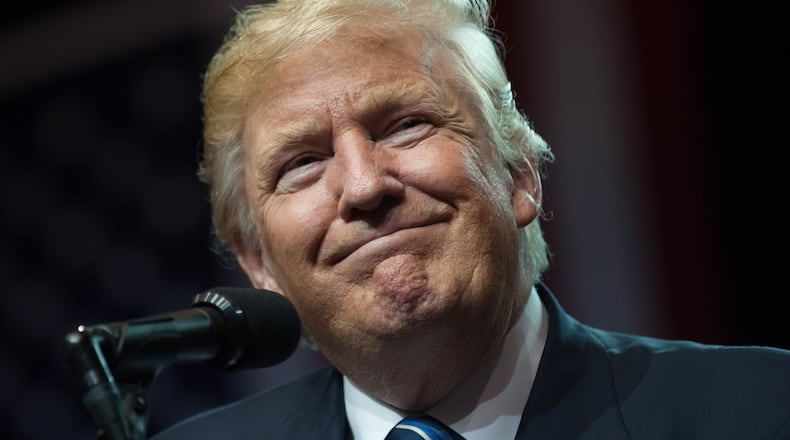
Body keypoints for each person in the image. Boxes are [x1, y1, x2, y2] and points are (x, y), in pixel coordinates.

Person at [152, 0, 790, 438]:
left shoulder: (762, 411)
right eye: (303, 162)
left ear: (519, 175)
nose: (365, 186)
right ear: (257, 261)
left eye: (406, 125)